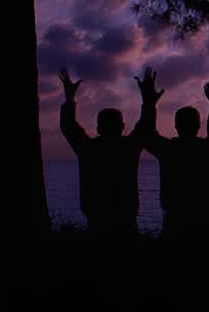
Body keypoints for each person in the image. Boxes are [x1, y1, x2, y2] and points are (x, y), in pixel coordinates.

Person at [58, 66, 159, 240]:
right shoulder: (129, 147)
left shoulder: (88, 149)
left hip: (97, 222)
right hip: (126, 222)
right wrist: (148, 102)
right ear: (122, 127)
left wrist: (69, 98)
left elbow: (68, 127)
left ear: (98, 128)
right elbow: (145, 127)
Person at [141, 73, 209, 242]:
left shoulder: (168, 149)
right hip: (201, 221)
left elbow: (147, 134)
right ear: (199, 125)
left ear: (176, 126)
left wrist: (149, 103)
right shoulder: (204, 149)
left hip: (174, 222)